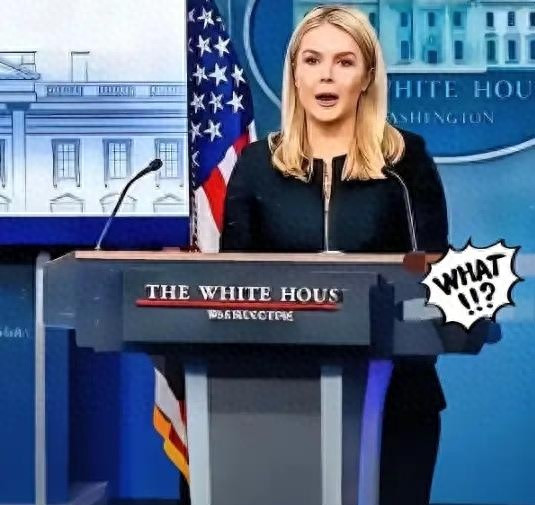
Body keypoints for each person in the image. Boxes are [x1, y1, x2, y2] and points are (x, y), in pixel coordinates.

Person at [220, 5, 448, 504]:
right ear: (294, 74)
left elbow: (434, 281)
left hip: (394, 401)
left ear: (366, 77)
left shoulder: (404, 160)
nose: (326, 75)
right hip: (275, 401)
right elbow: (230, 291)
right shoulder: (257, 165)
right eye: (312, 60)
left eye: (344, 62)